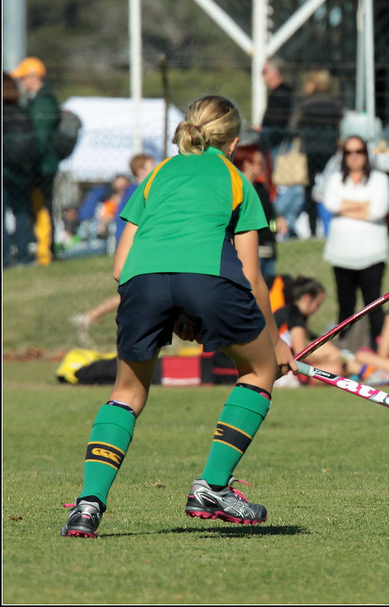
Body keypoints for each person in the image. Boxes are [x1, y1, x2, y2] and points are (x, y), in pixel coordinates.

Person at [60, 94, 295, 538]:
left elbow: (119, 266)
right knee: (260, 370)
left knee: (127, 392)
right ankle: (212, 486)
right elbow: (251, 275)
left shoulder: (155, 175)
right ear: (234, 142)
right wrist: (278, 341)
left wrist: (177, 311)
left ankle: (87, 506)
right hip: (209, 280)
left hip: (142, 283)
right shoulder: (236, 179)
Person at [68, 154, 158, 346]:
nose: (156, 167)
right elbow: (125, 224)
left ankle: (90, 318)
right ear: (141, 170)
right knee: (138, 291)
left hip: (140, 246)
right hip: (136, 247)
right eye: (152, 165)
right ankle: (89, 318)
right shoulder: (138, 191)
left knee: (142, 291)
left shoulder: (137, 190)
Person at [320, 135, 389, 350]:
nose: (354, 156)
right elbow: (330, 204)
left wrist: (345, 206)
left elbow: (379, 210)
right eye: (349, 152)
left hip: (372, 254)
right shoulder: (335, 179)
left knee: (374, 305)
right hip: (341, 253)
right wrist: (364, 206)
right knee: (345, 307)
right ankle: (345, 351)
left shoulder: (379, 179)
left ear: (366, 154)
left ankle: (380, 350)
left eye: (358, 151)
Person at [12, 56, 61, 266]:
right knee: (39, 207)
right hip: (40, 163)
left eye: (23, 78)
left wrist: (29, 163)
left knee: (42, 207)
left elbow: (40, 139)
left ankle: (44, 254)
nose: (21, 82)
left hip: (42, 165)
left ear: (34, 77)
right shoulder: (39, 100)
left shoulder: (43, 102)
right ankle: (43, 251)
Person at [290, 69, 344, 237]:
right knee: (332, 186)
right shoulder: (335, 104)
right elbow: (341, 125)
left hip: (310, 151)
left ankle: (313, 228)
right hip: (330, 150)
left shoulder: (305, 104)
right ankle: (331, 225)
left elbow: (293, 127)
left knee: (310, 192)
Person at [273, 276, 348, 386]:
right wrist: (325, 358)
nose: (318, 309)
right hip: (281, 371)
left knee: (332, 356)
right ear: (307, 298)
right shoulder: (295, 314)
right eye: (318, 304)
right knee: (337, 369)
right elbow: (301, 353)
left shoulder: (287, 310)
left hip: (281, 364)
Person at [3, 72, 37, 268]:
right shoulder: (23, 112)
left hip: (4, 166)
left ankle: (5, 258)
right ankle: (24, 256)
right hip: (21, 169)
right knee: (22, 211)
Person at [232, 141, 278, 280]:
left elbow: (270, 218)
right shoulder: (237, 190)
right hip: (251, 251)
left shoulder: (260, 189)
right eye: (259, 162)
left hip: (268, 249)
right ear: (246, 164)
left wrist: (276, 224)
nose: (263, 166)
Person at [258, 57, 294, 166]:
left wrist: (263, 130)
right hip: (277, 141)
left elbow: (278, 121)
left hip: (279, 144)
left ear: (275, 73)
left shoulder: (281, 94)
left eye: (264, 71)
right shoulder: (281, 92)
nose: (262, 75)